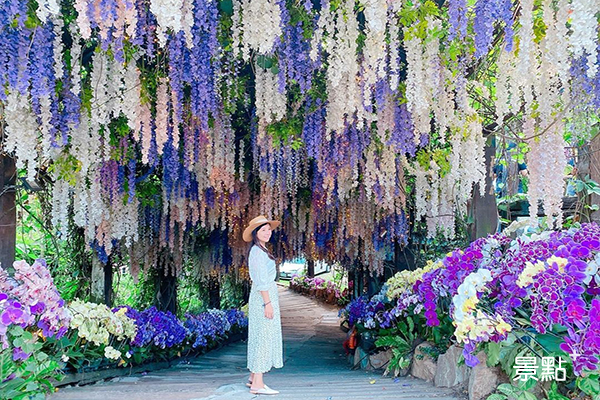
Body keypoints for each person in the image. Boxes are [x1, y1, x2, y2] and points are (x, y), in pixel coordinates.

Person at [242, 215, 284, 395]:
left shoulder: (261, 250)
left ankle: (253, 377)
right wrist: (267, 303)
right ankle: (258, 385)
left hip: (265, 296)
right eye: (263, 230)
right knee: (263, 337)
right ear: (255, 233)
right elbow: (260, 280)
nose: (268, 233)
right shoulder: (257, 252)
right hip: (263, 298)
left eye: (269, 229)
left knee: (260, 334)